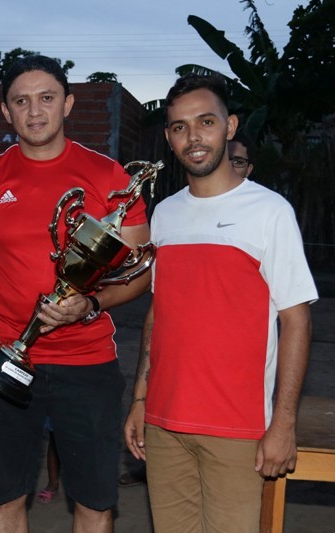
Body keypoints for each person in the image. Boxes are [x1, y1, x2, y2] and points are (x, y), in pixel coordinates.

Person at [0, 55, 151, 533]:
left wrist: (91, 303)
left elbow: (143, 272)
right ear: (6, 112)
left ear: (68, 104)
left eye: (46, 98)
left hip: (88, 364)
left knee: (95, 503)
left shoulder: (110, 178)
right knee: (3, 500)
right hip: (5, 359)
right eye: (21, 101)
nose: (34, 111)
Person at [123, 74, 318, 532]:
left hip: (237, 428)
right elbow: (160, 311)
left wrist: (283, 423)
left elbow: (297, 321)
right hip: (164, 423)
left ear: (229, 127)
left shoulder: (269, 212)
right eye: (179, 127)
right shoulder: (165, 213)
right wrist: (139, 399)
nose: (193, 137)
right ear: (169, 138)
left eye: (205, 122)